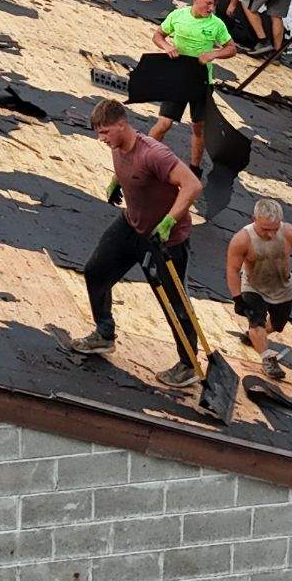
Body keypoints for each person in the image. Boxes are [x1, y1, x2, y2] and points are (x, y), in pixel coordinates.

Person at [70, 98, 205, 384]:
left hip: (165, 239)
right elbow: (128, 168)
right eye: (99, 133)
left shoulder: (155, 154)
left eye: (105, 132)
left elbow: (192, 185)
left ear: (122, 125)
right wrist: (117, 182)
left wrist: (169, 222)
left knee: (173, 302)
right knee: (96, 271)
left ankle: (188, 363)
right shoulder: (118, 146)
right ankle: (104, 334)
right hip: (132, 224)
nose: (101, 138)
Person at [151, 0, 243, 171]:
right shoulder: (178, 16)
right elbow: (158, 35)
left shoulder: (216, 25)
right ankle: (144, 154)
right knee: (165, 123)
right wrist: (167, 47)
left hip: (202, 81)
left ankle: (195, 168)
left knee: (199, 128)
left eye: (214, 5)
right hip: (177, 78)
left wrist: (213, 54)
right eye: (208, 3)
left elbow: (232, 49)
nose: (211, 8)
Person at [224, 198, 292, 379]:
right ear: (254, 219)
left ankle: (254, 336)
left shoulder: (289, 232)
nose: (270, 235)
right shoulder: (242, 240)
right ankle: (267, 359)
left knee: (277, 325)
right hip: (254, 286)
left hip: (282, 287)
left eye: (274, 229)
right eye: (265, 229)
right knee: (256, 320)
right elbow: (232, 269)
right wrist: (237, 298)